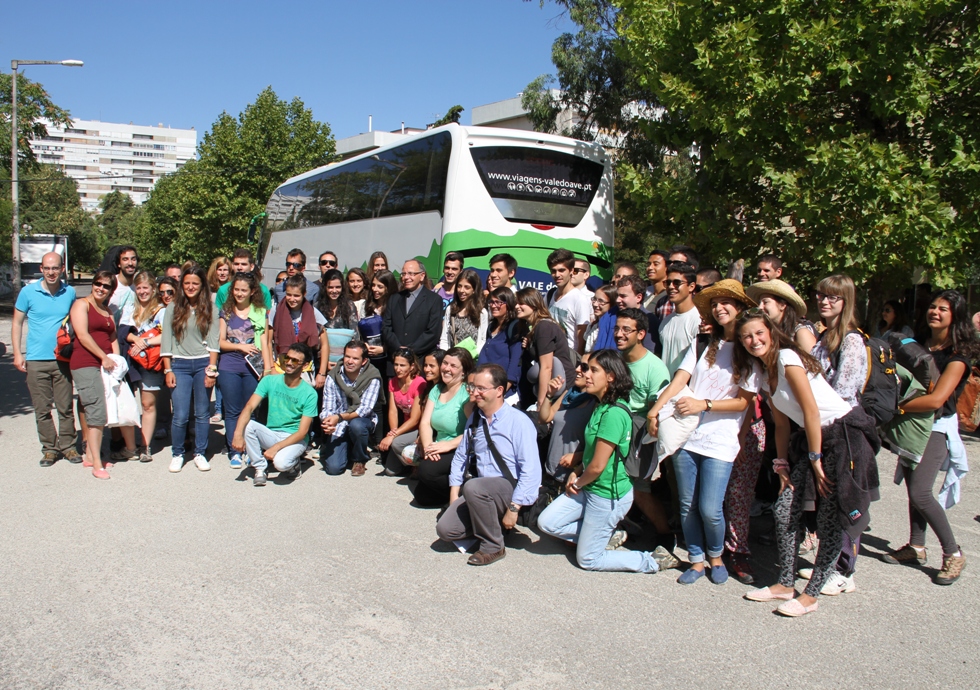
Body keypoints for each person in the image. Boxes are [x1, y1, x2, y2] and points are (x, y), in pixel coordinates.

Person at [734, 309, 879, 617]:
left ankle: (811, 595)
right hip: (814, 440)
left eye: (759, 333)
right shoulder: (766, 373)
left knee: (829, 520)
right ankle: (785, 584)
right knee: (785, 508)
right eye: (746, 336)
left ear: (771, 332)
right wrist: (782, 463)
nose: (753, 340)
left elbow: (811, 410)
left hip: (842, 437)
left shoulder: (787, 358)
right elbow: (784, 425)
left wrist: (815, 459)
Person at [645, 281, 758, 584]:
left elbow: (743, 401)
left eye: (727, 303)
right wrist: (656, 409)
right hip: (686, 433)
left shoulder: (751, 348)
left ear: (741, 308)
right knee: (686, 503)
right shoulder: (703, 342)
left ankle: (716, 556)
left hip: (721, 438)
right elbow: (681, 378)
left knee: (710, 507)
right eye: (716, 303)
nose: (720, 308)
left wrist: (703, 404)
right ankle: (696, 560)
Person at [537, 350, 680, 573]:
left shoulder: (614, 413)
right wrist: (578, 469)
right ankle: (603, 535)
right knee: (547, 523)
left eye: (594, 370)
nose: (586, 374)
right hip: (590, 486)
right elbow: (591, 456)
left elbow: (598, 466)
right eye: (587, 369)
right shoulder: (600, 405)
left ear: (611, 377)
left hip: (607, 496)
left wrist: (577, 481)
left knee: (588, 560)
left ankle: (652, 561)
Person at [881, 289, 979, 585]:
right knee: (914, 487)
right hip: (912, 425)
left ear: (956, 317)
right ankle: (916, 546)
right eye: (933, 307)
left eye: (943, 309)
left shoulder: (957, 357)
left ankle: (953, 553)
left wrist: (893, 405)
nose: (935, 312)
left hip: (936, 429)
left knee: (922, 492)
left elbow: (937, 400)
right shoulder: (920, 346)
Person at [436, 364, 542, 566]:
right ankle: (493, 526)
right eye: (473, 387)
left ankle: (493, 546)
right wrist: (453, 497)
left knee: (474, 486)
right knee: (445, 529)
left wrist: (514, 508)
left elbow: (531, 469)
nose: (475, 393)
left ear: (499, 391)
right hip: (482, 491)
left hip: (508, 489)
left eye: (481, 388)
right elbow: (461, 457)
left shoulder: (518, 422)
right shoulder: (476, 418)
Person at [13, 251, 79, 466]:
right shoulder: (28, 292)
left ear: (62, 269)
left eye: (55, 268)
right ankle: (50, 448)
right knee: (42, 409)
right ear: (41, 269)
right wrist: (17, 354)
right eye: (47, 268)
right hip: (35, 359)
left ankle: (68, 447)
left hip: (61, 359)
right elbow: (17, 323)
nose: (51, 272)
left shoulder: (69, 292)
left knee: (65, 407)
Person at [70, 271, 137, 479]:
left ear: (111, 290)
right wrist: (103, 357)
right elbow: (82, 335)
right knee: (96, 412)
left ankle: (90, 455)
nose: (101, 288)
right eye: (97, 283)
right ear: (93, 284)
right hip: (85, 363)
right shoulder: (82, 305)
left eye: (106, 286)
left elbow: (113, 337)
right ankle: (97, 464)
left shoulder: (107, 310)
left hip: (105, 366)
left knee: (101, 410)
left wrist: (115, 360)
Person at [614, 308, 671, 544]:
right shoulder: (616, 361)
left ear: (641, 334)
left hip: (641, 428)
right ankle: (617, 527)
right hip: (615, 422)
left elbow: (661, 406)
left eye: (626, 330)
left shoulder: (654, 367)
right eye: (617, 328)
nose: (619, 334)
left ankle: (666, 535)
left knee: (639, 487)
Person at [232, 342, 319, 487]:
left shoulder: (310, 393)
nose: (289, 363)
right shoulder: (270, 381)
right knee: (249, 425)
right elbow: (249, 407)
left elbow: (302, 432)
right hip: (272, 433)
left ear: (305, 366)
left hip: (295, 438)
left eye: (295, 360)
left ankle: (294, 465)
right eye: (287, 358)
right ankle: (260, 468)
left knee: (280, 463)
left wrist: (276, 447)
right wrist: (237, 434)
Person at [161, 264, 220, 473]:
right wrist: (168, 370)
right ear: (181, 285)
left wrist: (212, 370)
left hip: (203, 364)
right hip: (179, 365)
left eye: (195, 283)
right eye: (186, 283)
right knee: (180, 414)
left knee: (203, 413)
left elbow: (214, 342)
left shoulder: (211, 308)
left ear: (202, 285)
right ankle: (177, 453)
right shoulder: (172, 307)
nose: (190, 287)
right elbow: (166, 341)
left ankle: (200, 453)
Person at [218, 272, 273, 469]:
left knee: (251, 410)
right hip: (229, 365)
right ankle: (235, 450)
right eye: (237, 289)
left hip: (253, 366)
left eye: (244, 290)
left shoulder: (260, 312)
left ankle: (250, 449)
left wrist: (268, 368)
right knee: (232, 411)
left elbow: (265, 342)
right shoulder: (225, 312)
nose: (239, 293)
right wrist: (240, 347)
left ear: (252, 291)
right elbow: (221, 342)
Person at [414, 347, 474, 506]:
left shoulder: (466, 394)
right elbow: (425, 422)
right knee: (422, 496)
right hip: (438, 445)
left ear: (463, 372)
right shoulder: (437, 389)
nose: (447, 368)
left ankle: (465, 493)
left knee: (426, 472)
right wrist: (428, 447)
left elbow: (474, 431)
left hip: (459, 447)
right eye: (445, 363)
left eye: (453, 366)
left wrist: (448, 445)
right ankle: (455, 490)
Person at [320, 341, 384, 476]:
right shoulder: (333, 376)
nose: (350, 361)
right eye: (347, 357)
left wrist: (339, 417)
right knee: (333, 469)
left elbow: (365, 409)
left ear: (364, 361)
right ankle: (346, 448)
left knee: (357, 425)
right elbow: (328, 406)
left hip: (361, 421)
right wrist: (327, 421)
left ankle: (360, 459)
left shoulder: (372, 376)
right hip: (339, 423)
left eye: (355, 358)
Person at [125, 270, 166, 463]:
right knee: (127, 402)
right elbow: (122, 330)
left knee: (147, 404)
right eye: (139, 287)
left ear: (153, 289)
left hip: (151, 363)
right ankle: (128, 443)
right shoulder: (129, 308)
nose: (142, 291)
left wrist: (145, 343)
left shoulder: (161, 310)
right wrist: (136, 339)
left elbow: (167, 335)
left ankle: (145, 446)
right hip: (129, 361)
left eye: (146, 288)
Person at [515, 288, 574, 411]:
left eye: (521, 303)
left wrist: (541, 404)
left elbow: (547, 368)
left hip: (560, 389)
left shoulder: (544, 327)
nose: (516, 306)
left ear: (534, 304)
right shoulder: (534, 327)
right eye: (516, 303)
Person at [270, 275, 329, 387]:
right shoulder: (276, 310)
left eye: (296, 295)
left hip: (304, 368)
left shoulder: (312, 312)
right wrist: (270, 368)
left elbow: (325, 344)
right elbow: (268, 341)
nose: (292, 299)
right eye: (289, 295)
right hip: (281, 366)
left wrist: (322, 373)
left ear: (304, 294)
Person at [382, 260, 444, 360]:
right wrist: (398, 348)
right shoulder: (394, 299)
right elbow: (386, 327)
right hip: (395, 360)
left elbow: (433, 332)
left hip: (420, 360)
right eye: (403, 274)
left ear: (422, 276)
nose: (406, 277)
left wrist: (410, 350)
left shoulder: (434, 300)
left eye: (411, 274)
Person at [381, 348, 426, 476]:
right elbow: (393, 411)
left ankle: (418, 465)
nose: (398, 369)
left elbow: (415, 419)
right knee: (390, 471)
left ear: (411, 367)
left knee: (396, 443)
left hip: (419, 427)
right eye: (396, 364)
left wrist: (392, 436)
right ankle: (410, 461)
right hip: (405, 427)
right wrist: (393, 431)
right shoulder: (393, 382)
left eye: (402, 365)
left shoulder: (419, 383)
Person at [478, 287, 525, 402]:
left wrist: (501, 394)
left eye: (498, 302)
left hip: (502, 393)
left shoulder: (514, 327)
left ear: (508, 304)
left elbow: (514, 364)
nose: (494, 306)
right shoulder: (491, 326)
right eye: (491, 302)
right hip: (485, 388)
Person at [745, 279, 817, 352]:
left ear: (782, 305)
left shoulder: (800, 333)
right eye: (759, 303)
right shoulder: (769, 333)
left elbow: (815, 361)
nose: (760, 307)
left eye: (765, 302)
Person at [658, 262, 701, 376]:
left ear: (691, 286)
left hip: (687, 390)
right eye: (668, 282)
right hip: (665, 388)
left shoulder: (699, 320)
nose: (671, 287)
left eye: (677, 283)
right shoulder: (665, 322)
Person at [547, 248, 592, 354]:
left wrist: (577, 363)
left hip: (568, 358)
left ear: (571, 271)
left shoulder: (579, 300)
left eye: (561, 270)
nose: (557, 275)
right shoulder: (550, 294)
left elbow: (581, 337)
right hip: (549, 354)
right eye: (553, 271)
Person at [316, 268, 359, 368]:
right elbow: (315, 337)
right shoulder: (317, 307)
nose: (334, 291)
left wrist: (347, 360)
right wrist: (323, 362)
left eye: (338, 287)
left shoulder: (349, 306)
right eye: (330, 287)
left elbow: (355, 336)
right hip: (322, 362)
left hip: (345, 362)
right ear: (325, 287)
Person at [360, 269, 399, 377]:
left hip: (388, 359)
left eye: (380, 286)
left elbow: (398, 333)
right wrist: (365, 345)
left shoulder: (396, 306)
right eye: (373, 285)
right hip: (369, 358)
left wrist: (384, 348)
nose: (375, 289)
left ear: (388, 288)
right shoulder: (366, 305)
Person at [439, 268, 488, 352]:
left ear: (474, 290)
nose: (462, 290)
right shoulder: (451, 309)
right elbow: (444, 338)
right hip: (452, 359)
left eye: (467, 287)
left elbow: (483, 340)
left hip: (471, 360)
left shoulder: (481, 312)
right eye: (459, 286)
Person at [108, 245, 139, 325]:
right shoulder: (109, 283)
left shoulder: (140, 287)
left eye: (133, 259)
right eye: (125, 259)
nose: (130, 263)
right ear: (119, 264)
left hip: (131, 335)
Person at [583, 284, 618, 354]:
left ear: (612, 304)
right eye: (594, 299)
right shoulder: (593, 324)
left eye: (601, 301)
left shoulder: (610, 329)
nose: (595, 304)